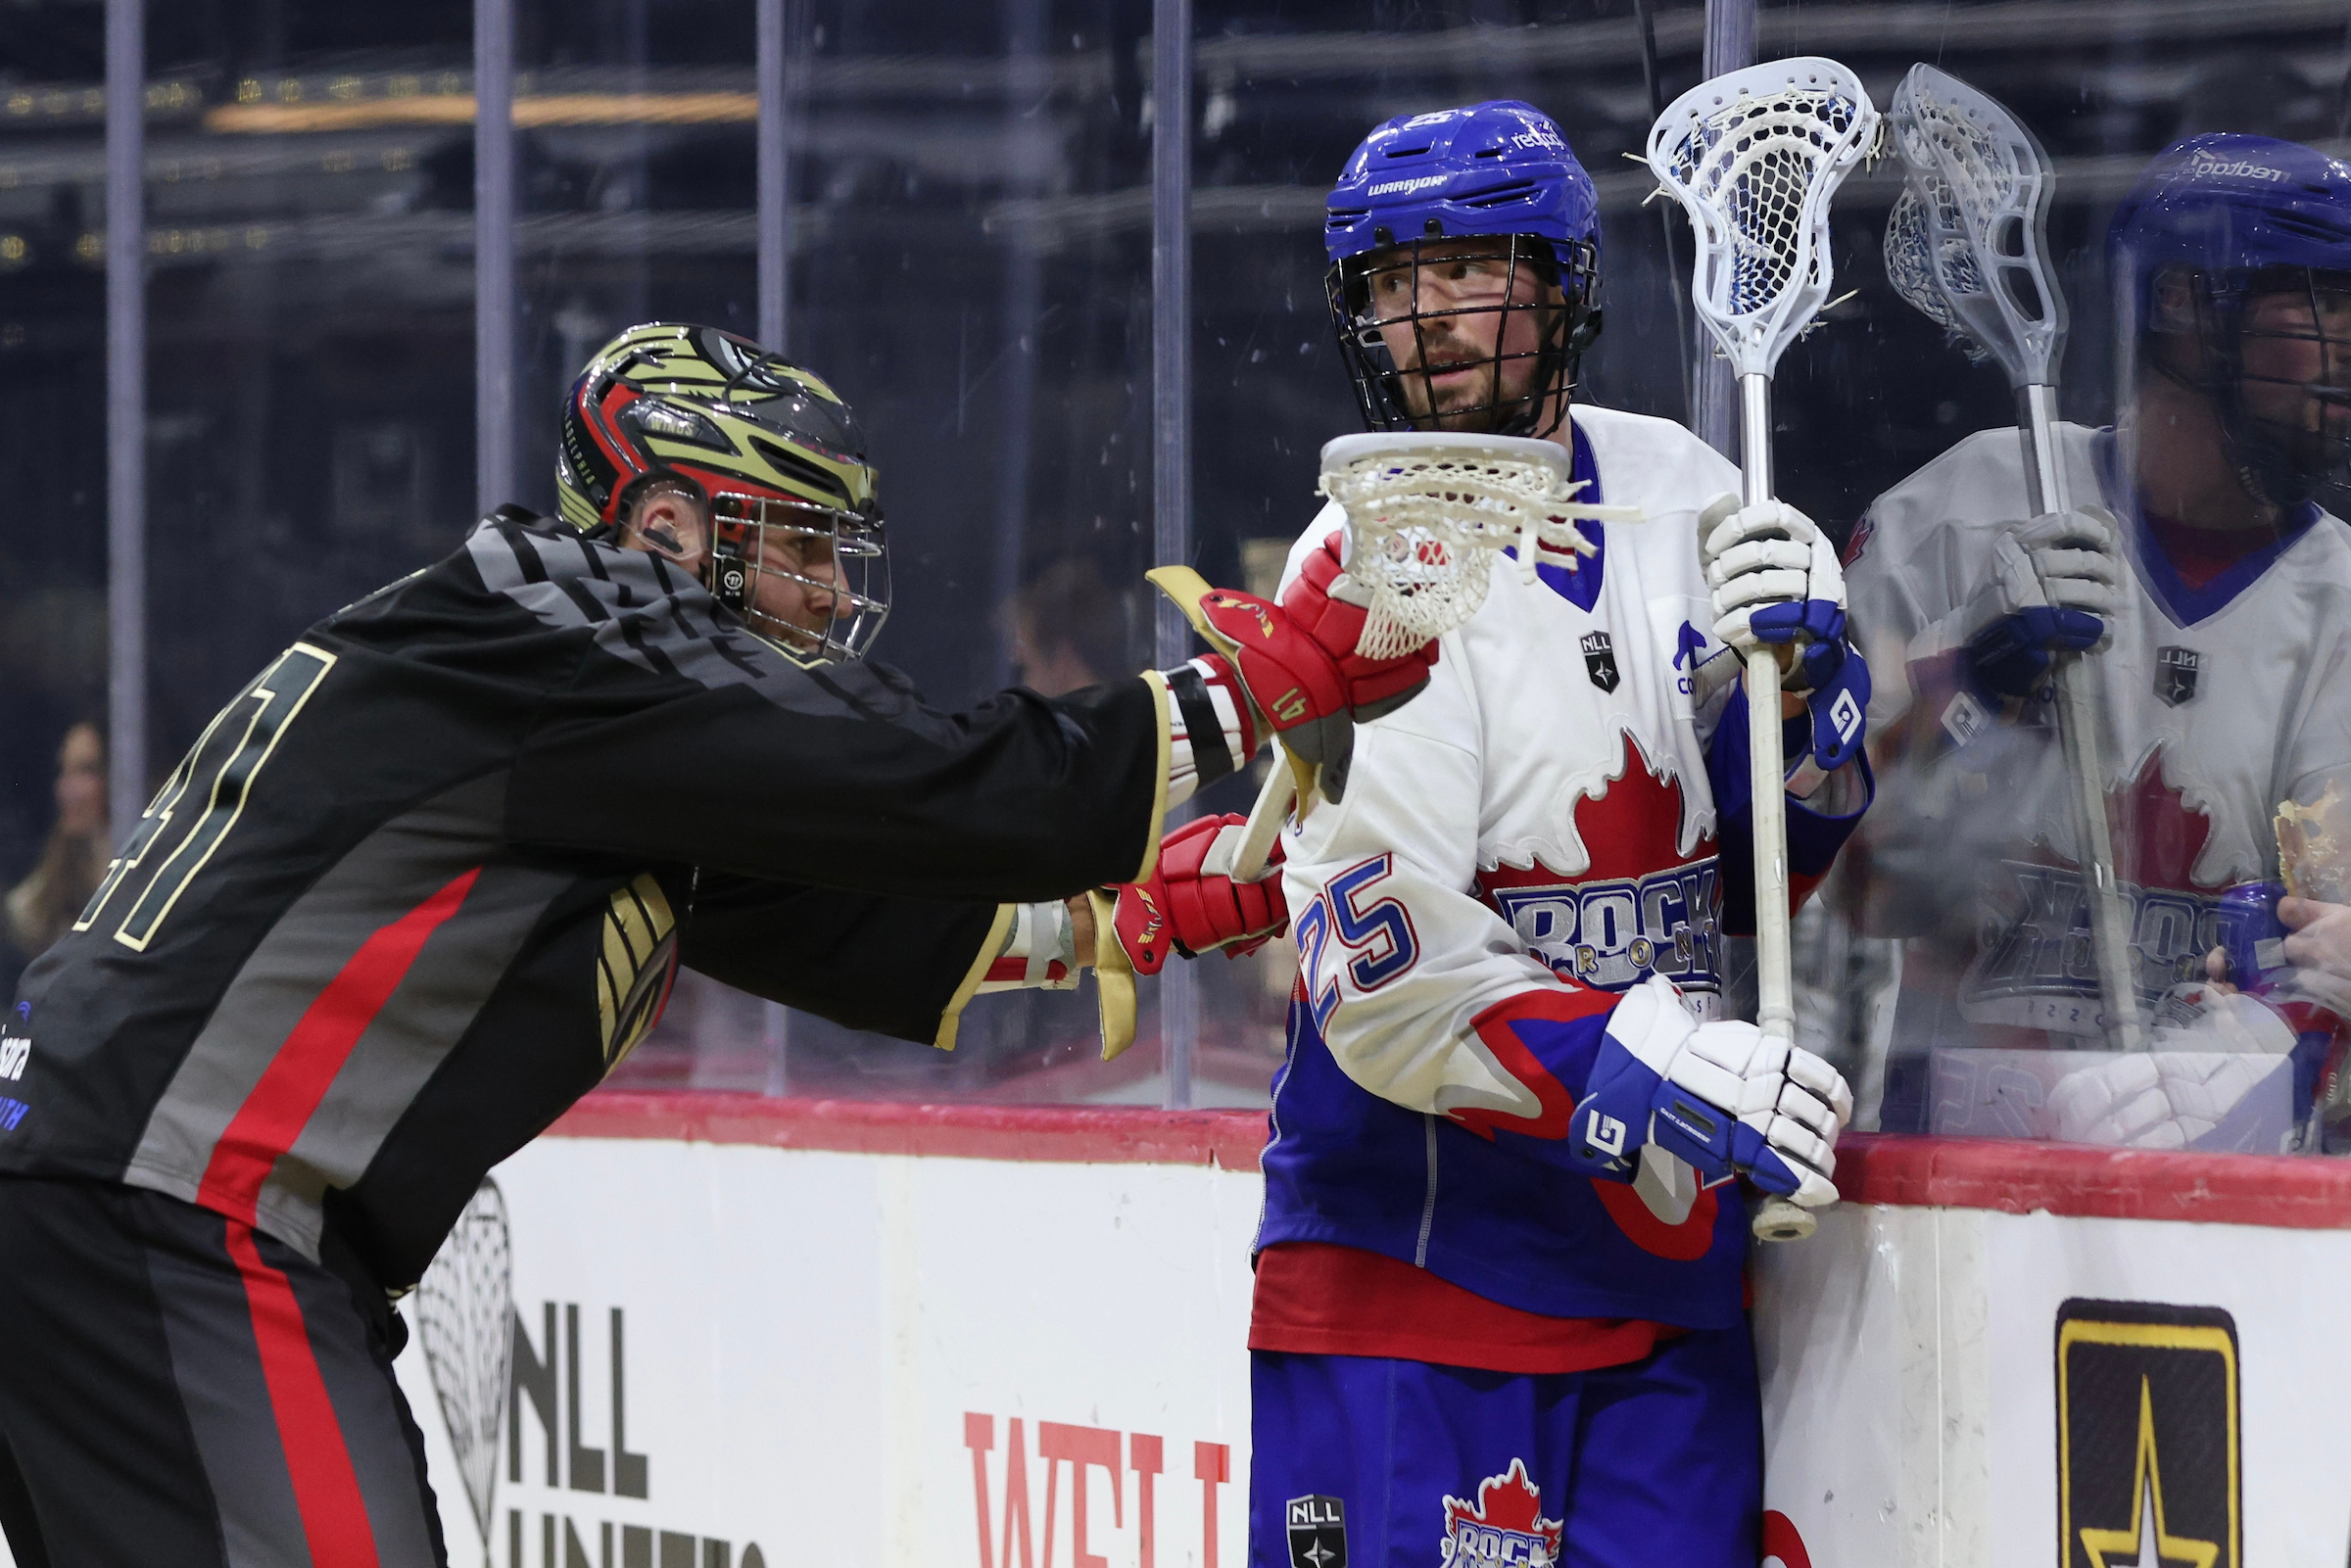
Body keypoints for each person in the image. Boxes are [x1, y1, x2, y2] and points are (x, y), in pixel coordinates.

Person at [0, 321, 1428, 1566]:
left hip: (117, 1198)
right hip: (168, 1214)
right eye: (792, 539)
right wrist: (1244, 689)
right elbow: (956, 785)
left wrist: (1140, 913)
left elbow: (871, 926)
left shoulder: (578, 707)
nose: (821, 586)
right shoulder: (580, 631)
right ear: (668, 526)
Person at [1226, 103, 1874, 1568]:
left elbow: (1777, 876)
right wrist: (1648, 1063)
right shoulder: (1368, 559)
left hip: (1659, 1284)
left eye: (1461, 268)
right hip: (1420, 1284)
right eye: (1388, 282)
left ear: (1562, 282)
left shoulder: (1691, 494)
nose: (1421, 318)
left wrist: (1811, 706)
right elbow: (1385, 983)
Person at [1841, 133, 2351, 1148]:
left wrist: (2244, 1064)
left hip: (2230, 1193)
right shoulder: (1959, 512)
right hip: (1950, 1187)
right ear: (2183, 307)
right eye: (2326, 306)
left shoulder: (2342, 602)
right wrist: (1979, 686)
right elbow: (1860, 894)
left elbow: (2330, 940)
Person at [3, 722, 107, 972]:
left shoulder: (155, 875)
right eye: (64, 771)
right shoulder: (36, 902)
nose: (67, 790)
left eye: (86, 770)